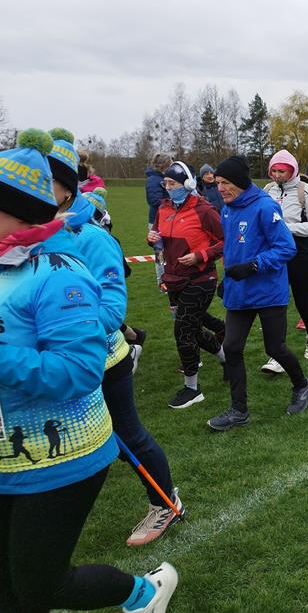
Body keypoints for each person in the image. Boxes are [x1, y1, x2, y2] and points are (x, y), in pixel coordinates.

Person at [0, 129, 178, 613]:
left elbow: (105, 314)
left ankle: (161, 521)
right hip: (9, 450)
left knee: (132, 436)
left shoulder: (75, 251)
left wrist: (69, 324)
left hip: (73, 424)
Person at [48, 128, 185, 547]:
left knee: (126, 435)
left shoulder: (92, 239)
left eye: (47, 182)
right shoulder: (24, 240)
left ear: (67, 191)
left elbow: (111, 312)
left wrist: (60, 333)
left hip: (103, 362)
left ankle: (167, 502)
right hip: (54, 367)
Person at [207, 155, 308, 430]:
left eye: (225, 183)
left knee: (274, 347)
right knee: (231, 347)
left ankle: (302, 385)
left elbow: (286, 248)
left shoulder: (265, 207)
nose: (220, 188)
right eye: (218, 183)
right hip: (239, 291)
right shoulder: (227, 209)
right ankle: (238, 410)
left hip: (268, 291)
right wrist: (228, 279)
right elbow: (232, 248)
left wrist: (254, 265)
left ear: (240, 182)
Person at [148, 161, 226, 408]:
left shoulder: (204, 210)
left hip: (201, 279)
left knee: (182, 330)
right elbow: (162, 243)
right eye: (166, 184)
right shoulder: (163, 209)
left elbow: (226, 242)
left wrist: (200, 256)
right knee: (191, 329)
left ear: (188, 184)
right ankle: (227, 359)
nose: (169, 188)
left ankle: (192, 388)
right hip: (174, 279)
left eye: (173, 183)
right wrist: (152, 239)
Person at [262, 150, 308, 363]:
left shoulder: (306, 191)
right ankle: (277, 350)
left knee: (301, 298)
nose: (278, 175)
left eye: (282, 171)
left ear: (293, 170)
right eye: (275, 171)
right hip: (274, 252)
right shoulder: (267, 190)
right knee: (275, 302)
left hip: (300, 251)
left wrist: (288, 228)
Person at [146, 152, 172, 286]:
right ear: (164, 166)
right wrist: (172, 202)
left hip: (167, 220)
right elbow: (154, 200)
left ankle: (170, 278)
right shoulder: (154, 180)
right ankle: (161, 281)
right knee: (160, 253)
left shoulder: (162, 178)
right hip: (157, 222)